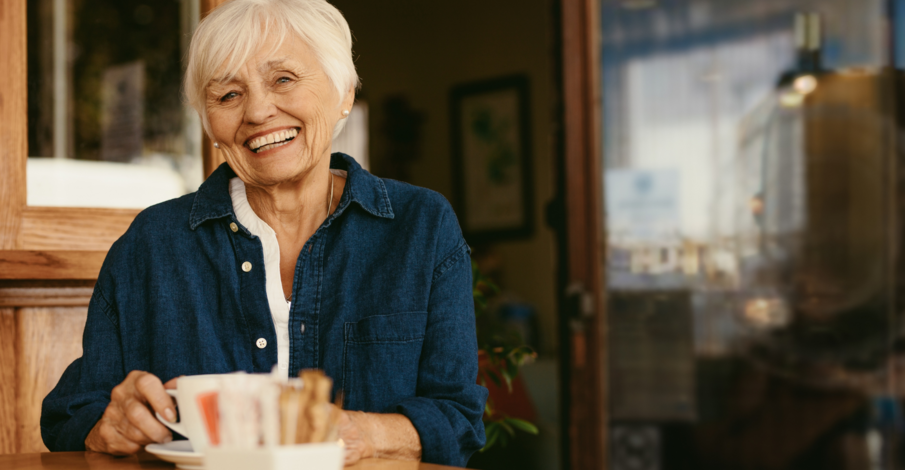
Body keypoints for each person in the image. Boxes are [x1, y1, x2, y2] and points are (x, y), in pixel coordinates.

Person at [40, 0, 487, 466]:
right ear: (209, 123)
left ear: (344, 93)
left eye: (284, 80)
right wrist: (108, 424)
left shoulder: (420, 226)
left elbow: (457, 420)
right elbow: (69, 415)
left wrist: (361, 432)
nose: (257, 112)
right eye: (228, 95)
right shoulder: (152, 243)